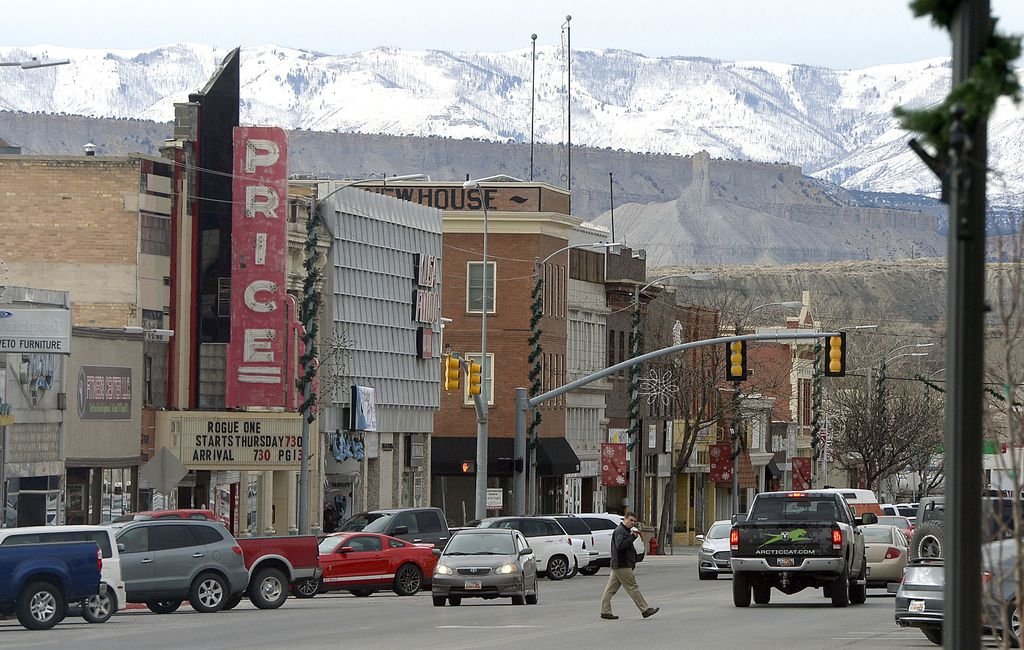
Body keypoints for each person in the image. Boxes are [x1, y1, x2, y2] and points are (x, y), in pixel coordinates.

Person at [600, 511, 659, 620]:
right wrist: (632, 537)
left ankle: (605, 611)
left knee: (610, 590)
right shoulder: (621, 531)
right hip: (622, 565)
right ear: (625, 519)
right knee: (633, 587)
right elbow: (620, 546)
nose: (632, 523)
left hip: (618, 565)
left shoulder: (624, 531)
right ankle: (645, 609)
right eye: (630, 520)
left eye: (634, 521)